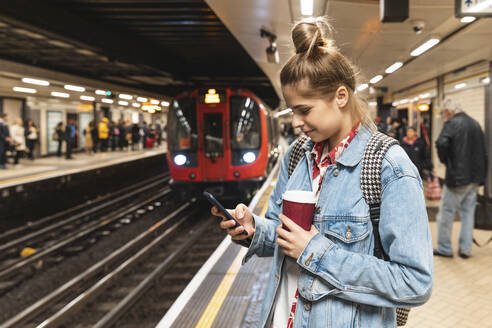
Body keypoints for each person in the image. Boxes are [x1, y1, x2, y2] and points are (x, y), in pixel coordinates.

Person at [211, 17, 433, 328]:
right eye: (292, 111)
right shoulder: (298, 155)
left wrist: (316, 251)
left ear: (340, 96)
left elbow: (415, 283)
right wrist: (254, 230)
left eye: (305, 110)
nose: (296, 123)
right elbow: (282, 231)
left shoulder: (388, 167)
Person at [434, 99, 487, 259]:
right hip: (474, 178)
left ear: (448, 111)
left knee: (446, 213)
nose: (444, 117)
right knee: (468, 213)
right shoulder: (475, 124)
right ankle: (465, 249)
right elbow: (484, 152)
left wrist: (446, 161)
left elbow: (441, 143)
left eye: (443, 114)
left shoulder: (451, 124)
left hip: (457, 178)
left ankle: (444, 248)